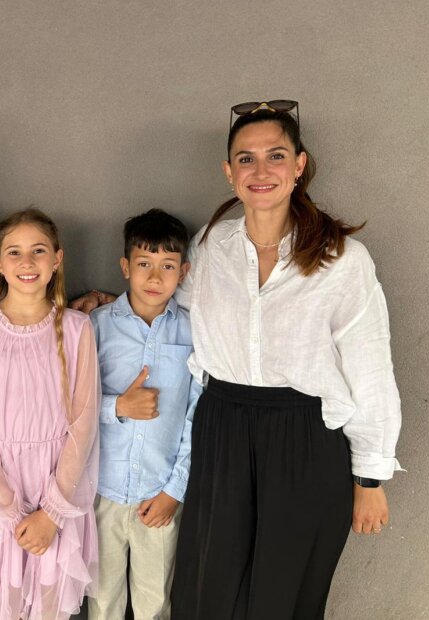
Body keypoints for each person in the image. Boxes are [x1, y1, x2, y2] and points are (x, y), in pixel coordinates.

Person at [169, 101, 401, 619]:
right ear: (229, 172)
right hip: (223, 429)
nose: (261, 170)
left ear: (299, 165)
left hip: (306, 438)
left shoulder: (343, 259)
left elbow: (370, 367)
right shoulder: (209, 248)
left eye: (276, 155)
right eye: (245, 158)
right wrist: (106, 307)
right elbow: (171, 308)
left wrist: (370, 477)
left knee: (284, 596)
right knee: (208, 592)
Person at [0, 208, 100, 620]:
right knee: (6, 601)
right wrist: (10, 508)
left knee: (50, 604)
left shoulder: (78, 328)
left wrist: (52, 511)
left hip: (59, 486)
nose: (27, 262)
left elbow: (84, 425)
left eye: (38, 250)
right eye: (14, 252)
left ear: (57, 259)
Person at [87, 209, 201, 620]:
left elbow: (196, 416)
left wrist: (175, 490)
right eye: (144, 264)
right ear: (125, 267)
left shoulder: (193, 333)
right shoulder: (96, 327)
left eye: (167, 266)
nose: (155, 277)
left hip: (160, 493)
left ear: (183, 272)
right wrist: (117, 406)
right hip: (102, 492)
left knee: (155, 604)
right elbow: (70, 405)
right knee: (103, 602)